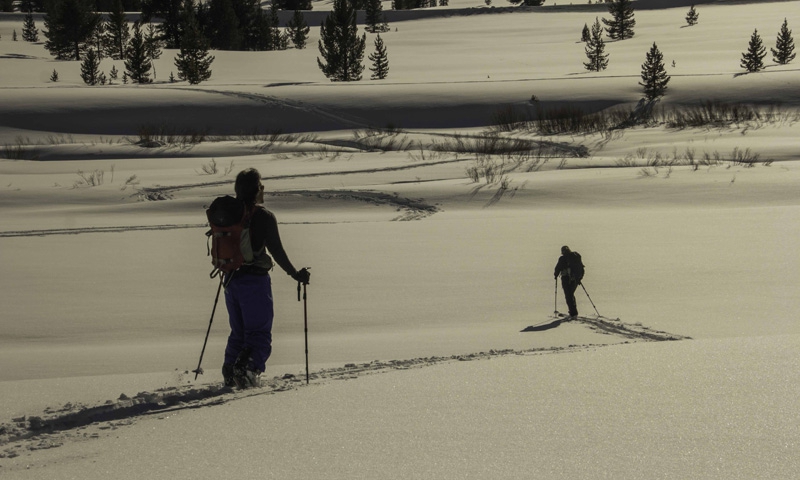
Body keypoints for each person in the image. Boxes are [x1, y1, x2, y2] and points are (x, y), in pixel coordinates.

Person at [222, 168, 310, 389]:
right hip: (254, 283)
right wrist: (295, 274)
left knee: (239, 331)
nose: (263, 189)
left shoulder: (228, 213)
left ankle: (230, 369)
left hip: (231, 281)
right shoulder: (263, 217)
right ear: (256, 189)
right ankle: (248, 371)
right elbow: (277, 251)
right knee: (259, 332)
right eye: (261, 185)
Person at [553, 245, 584, 319]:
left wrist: (556, 275)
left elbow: (557, 268)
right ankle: (573, 312)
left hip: (566, 278)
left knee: (568, 295)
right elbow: (581, 267)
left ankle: (573, 313)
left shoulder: (562, 259)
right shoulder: (575, 256)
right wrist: (579, 278)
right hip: (575, 279)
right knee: (571, 294)